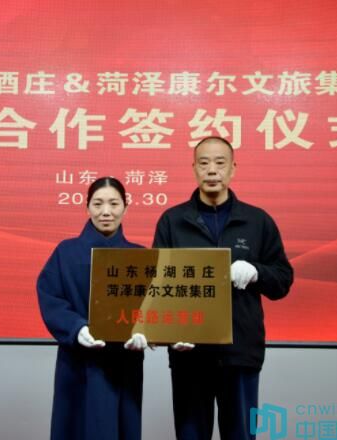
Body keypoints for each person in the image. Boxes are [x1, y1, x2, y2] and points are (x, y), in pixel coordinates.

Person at [152, 137, 293, 440]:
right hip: (190, 355)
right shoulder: (172, 222)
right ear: (194, 168)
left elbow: (283, 280)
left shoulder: (257, 221)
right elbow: (157, 286)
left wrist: (256, 272)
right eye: (204, 163)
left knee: (241, 434)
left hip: (240, 352)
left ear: (233, 169)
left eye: (220, 163)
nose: (212, 170)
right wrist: (168, 334)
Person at [37, 176, 149, 440]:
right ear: (87, 207)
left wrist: (146, 331)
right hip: (78, 361)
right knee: (76, 427)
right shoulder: (66, 252)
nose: (106, 211)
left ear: (126, 207)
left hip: (123, 362)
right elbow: (51, 297)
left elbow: (153, 304)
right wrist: (76, 328)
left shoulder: (140, 256)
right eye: (98, 204)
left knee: (120, 428)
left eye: (114, 203)